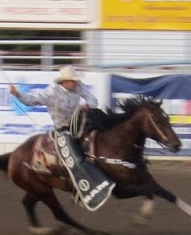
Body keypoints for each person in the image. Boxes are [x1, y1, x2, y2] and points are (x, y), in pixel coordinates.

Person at [8, 66, 113, 210]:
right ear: (64, 82)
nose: (75, 84)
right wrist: (17, 94)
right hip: (63, 129)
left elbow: (92, 99)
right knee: (74, 156)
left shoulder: (78, 86)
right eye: (72, 81)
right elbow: (31, 100)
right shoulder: (51, 92)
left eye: (75, 81)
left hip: (80, 123)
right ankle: (80, 187)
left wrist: (88, 105)